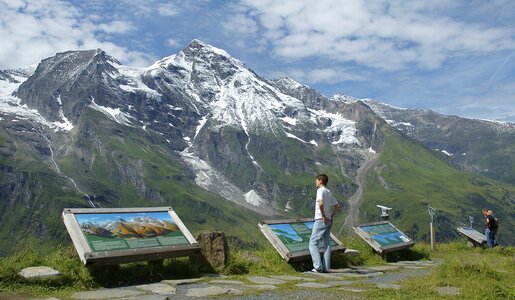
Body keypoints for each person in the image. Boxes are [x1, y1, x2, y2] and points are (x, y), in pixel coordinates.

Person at [309, 174, 340, 273]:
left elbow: (320, 203)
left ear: (320, 181)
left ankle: (318, 267)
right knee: (327, 244)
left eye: (316, 180)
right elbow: (337, 205)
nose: (315, 182)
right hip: (328, 220)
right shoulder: (328, 191)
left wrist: (323, 216)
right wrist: (331, 216)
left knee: (313, 242)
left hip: (320, 219)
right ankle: (326, 268)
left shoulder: (320, 191)